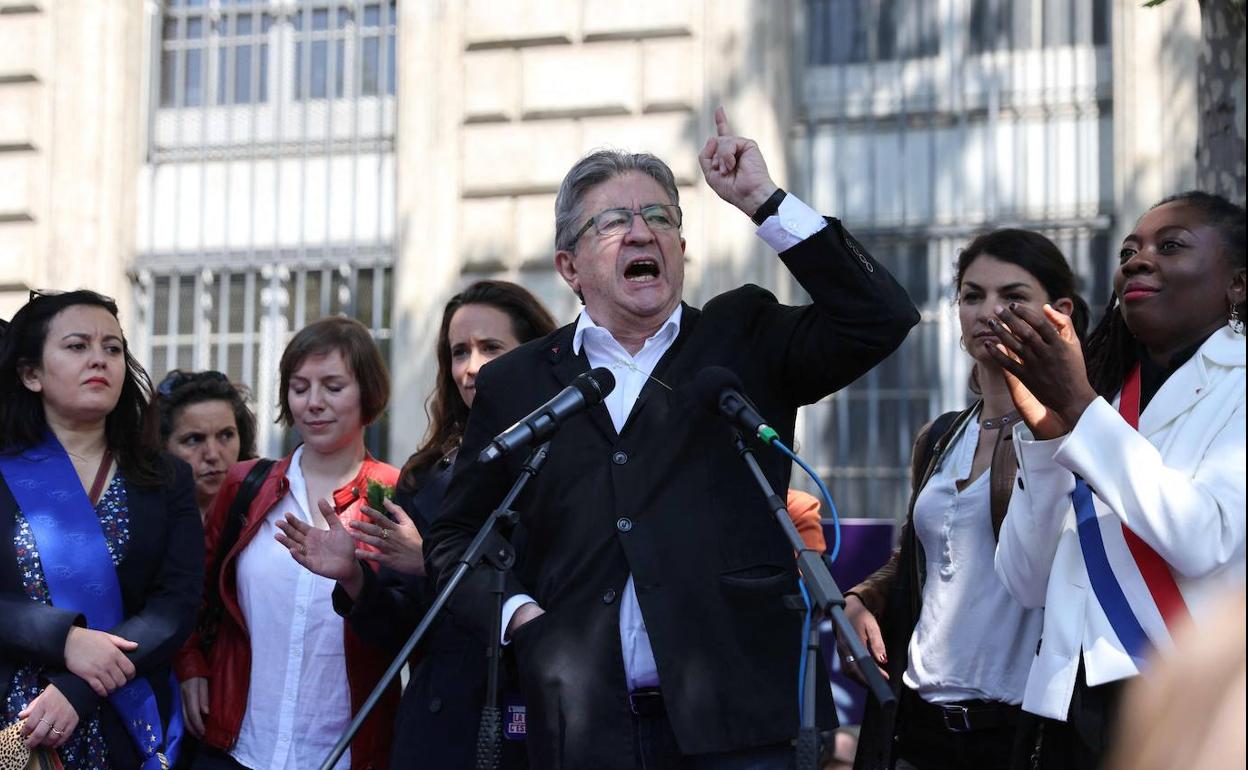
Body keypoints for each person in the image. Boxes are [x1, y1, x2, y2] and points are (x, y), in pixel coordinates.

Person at [424, 107, 920, 769]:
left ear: (681, 252)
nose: (643, 232)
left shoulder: (743, 337)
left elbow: (881, 317)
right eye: (614, 221)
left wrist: (764, 202)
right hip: (582, 728)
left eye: (661, 218)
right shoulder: (518, 382)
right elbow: (457, 535)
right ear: (570, 267)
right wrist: (517, 615)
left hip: (745, 723)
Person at [989, 191, 1246, 768]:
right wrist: (1049, 436)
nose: (1136, 259)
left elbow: (1206, 539)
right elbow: (1026, 584)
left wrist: (1079, 410)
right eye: (1129, 250)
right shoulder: (1105, 396)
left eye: (1170, 246)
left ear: (1239, 285)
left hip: (1178, 699)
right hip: (1060, 703)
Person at [842, 230, 1089, 770]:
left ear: (1060, 312)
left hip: (1021, 730)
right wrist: (865, 597)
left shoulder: (1082, 434)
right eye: (972, 295)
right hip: (918, 722)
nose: (988, 311)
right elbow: (922, 556)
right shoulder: (940, 436)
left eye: (1013, 297)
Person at [288, 280, 557, 769]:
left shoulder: (576, 458)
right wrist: (354, 578)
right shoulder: (426, 475)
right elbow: (398, 632)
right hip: (439, 732)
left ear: (533, 352)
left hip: (536, 722)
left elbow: (570, 601)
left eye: (490, 348)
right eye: (458, 352)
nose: (470, 367)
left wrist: (431, 560)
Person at [174, 316, 401, 770]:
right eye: (300, 388)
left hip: (343, 752)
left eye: (333, 387)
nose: (314, 403)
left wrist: (355, 579)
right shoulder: (245, 484)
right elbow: (191, 592)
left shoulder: (394, 494)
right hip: (237, 747)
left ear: (368, 394)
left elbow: (404, 628)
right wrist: (191, 667)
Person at [0, 289, 203, 769]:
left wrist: (79, 686)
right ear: (31, 374)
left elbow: (175, 605)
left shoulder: (166, 477)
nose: (100, 359)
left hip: (122, 716)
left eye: (113, 348)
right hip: (17, 718)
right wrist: (65, 640)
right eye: (77, 346)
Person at [157, 370, 258, 518]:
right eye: (194, 439)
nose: (212, 455)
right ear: (162, 445)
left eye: (226, 435)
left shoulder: (266, 512)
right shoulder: (142, 519)